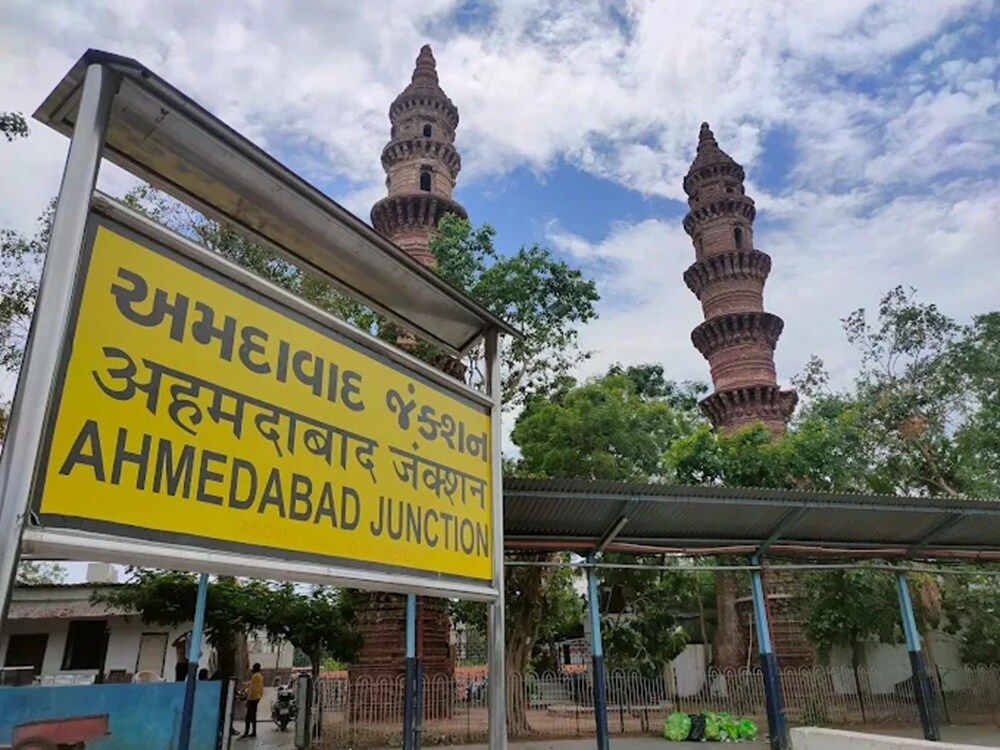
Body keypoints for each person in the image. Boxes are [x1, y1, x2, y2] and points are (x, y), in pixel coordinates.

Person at [240, 663, 264, 739]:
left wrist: (247, 698)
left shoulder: (254, 676)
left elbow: (252, 689)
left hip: (252, 698)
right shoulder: (260, 676)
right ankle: (254, 732)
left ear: (254, 668)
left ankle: (246, 732)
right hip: (257, 697)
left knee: (248, 716)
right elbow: (260, 687)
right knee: (253, 716)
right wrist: (260, 696)